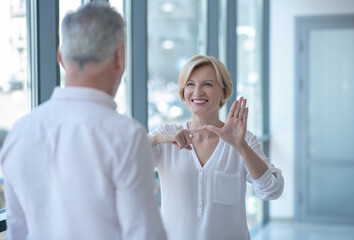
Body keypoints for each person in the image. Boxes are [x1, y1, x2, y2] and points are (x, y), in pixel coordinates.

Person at [1, 2, 166, 240]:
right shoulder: (126, 137)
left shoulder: (19, 133)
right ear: (119, 56)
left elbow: (17, 232)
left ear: (61, 58)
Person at [149, 55, 284, 240]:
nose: (197, 92)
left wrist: (241, 147)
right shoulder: (164, 135)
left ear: (224, 92)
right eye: (190, 84)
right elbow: (124, 161)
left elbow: (272, 190)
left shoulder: (243, 140)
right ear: (182, 91)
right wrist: (157, 138)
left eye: (208, 84)